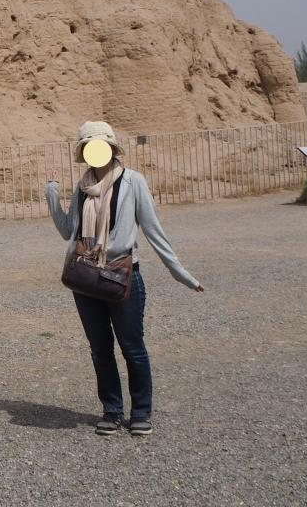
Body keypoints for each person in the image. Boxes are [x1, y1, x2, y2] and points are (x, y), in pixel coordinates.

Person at [46, 120, 203, 438]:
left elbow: (154, 230)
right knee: (100, 349)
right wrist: (52, 196)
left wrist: (179, 272)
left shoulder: (133, 182)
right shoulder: (83, 187)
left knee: (132, 347)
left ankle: (141, 412)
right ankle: (112, 411)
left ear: (110, 148)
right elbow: (68, 232)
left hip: (122, 275)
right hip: (86, 278)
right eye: (89, 147)